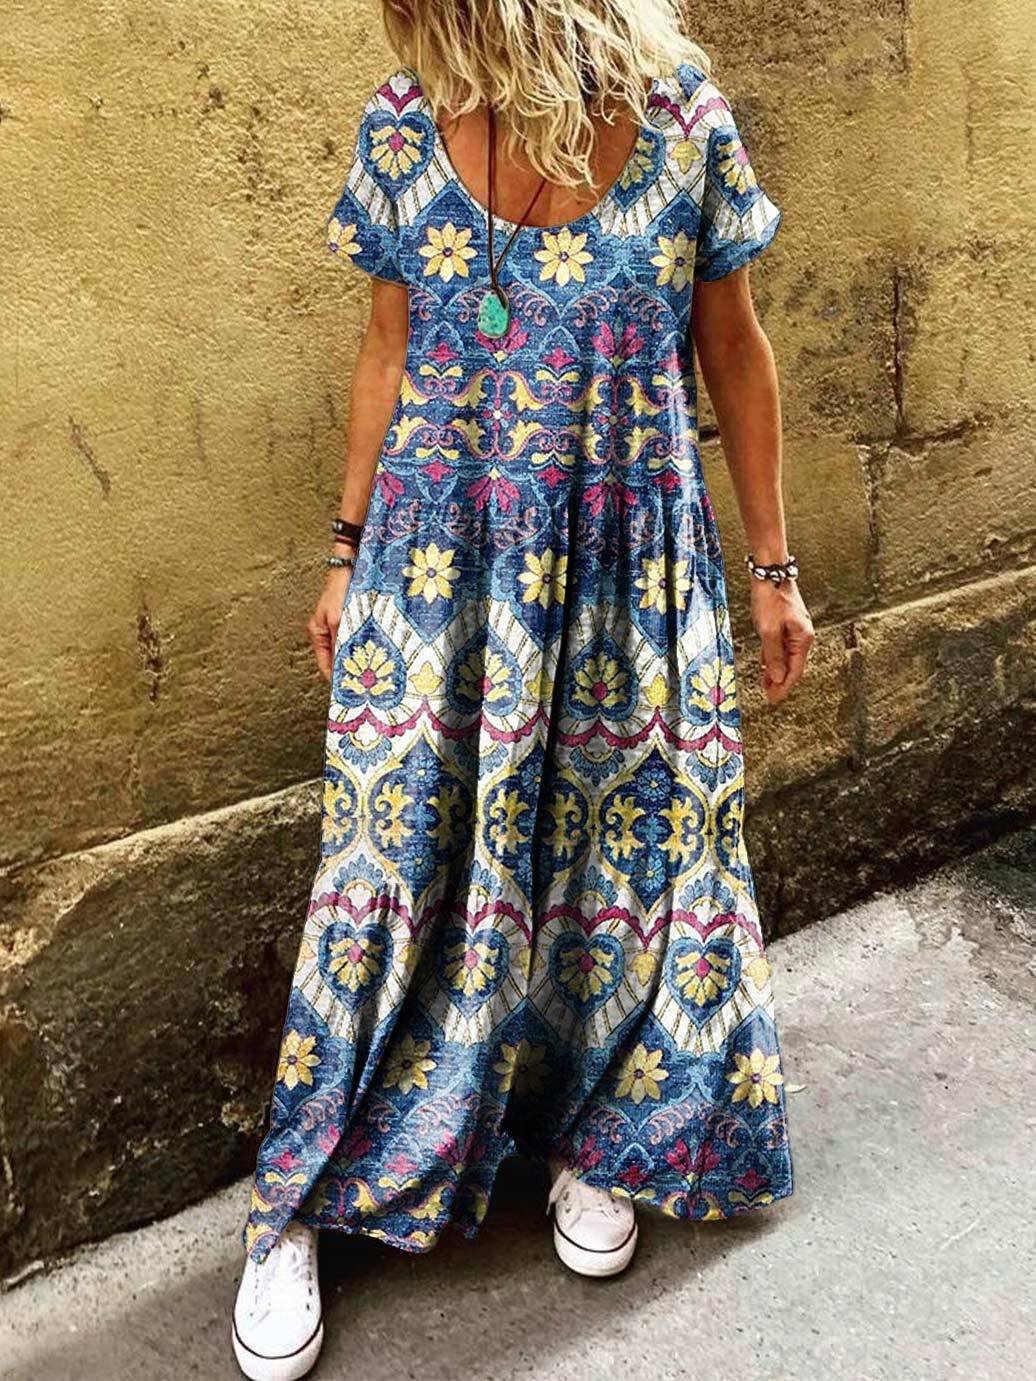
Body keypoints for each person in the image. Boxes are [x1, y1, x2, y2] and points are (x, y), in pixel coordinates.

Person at [232, 1, 814, 1376]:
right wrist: (343, 552)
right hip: (438, 568)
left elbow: (735, 351)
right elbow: (387, 348)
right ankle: (298, 1197)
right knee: (386, 869)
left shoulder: (683, 125)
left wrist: (773, 569)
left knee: (621, 858)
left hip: (626, 564)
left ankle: (598, 1130)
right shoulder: (401, 129)